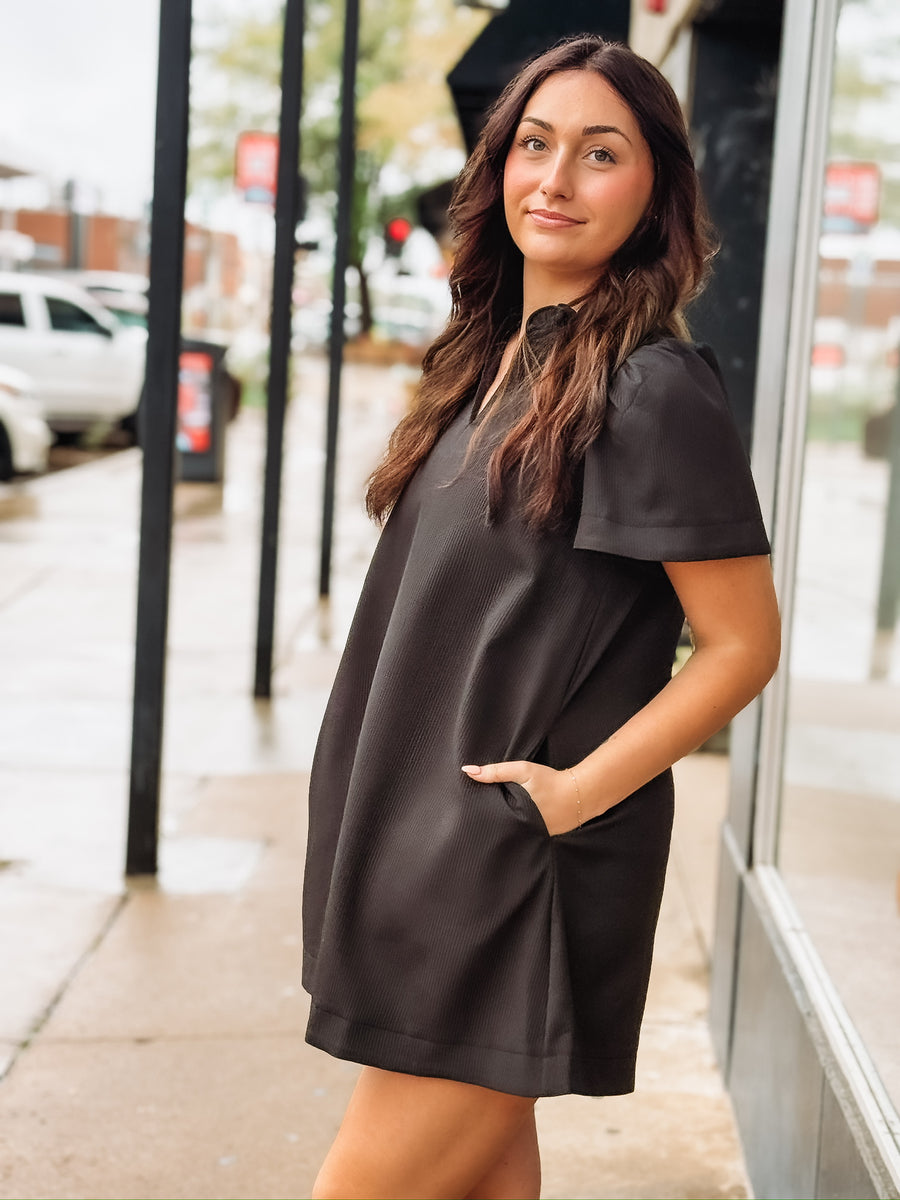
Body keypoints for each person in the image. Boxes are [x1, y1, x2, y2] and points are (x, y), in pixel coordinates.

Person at [302, 33, 781, 1200]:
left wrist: (569, 796)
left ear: (657, 190)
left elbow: (742, 644)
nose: (555, 181)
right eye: (535, 144)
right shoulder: (487, 362)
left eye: (600, 154)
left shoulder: (651, 388)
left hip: (504, 874)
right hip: (409, 856)